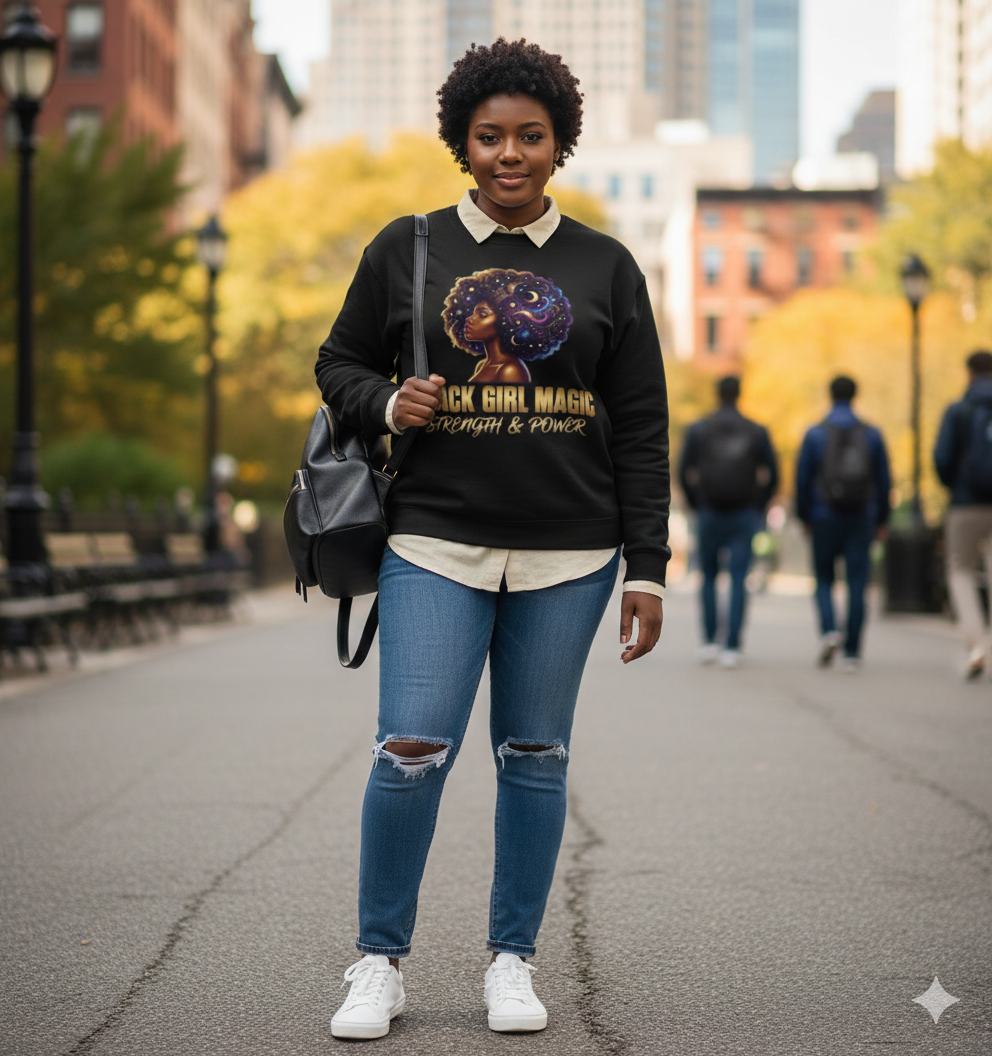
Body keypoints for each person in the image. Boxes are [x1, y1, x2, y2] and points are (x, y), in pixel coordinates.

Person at [315, 38, 670, 1040]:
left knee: (534, 753)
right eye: (488, 137)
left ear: (559, 145)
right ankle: (377, 961)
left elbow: (641, 424)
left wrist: (647, 565)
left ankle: (510, 960)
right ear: (460, 144)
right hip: (435, 540)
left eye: (529, 136)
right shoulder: (408, 247)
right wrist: (388, 402)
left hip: (571, 552)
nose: (508, 154)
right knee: (410, 747)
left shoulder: (605, 265)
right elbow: (336, 363)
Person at [678, 375, 778, 668]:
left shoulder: (698, 429)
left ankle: (709, 642)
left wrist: (698, 503)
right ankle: (732, 645)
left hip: (709, 511)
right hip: (744, 512)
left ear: (716, 393)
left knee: (707, 576)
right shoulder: (756, 430)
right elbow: (771, 473)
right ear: (739, 394)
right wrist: (757, 504)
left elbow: (684, 471)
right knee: (738, 577)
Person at [796, 375, 891, 670]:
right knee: (857, 581)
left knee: (824, 578)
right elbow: (884, 480)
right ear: (855, 395)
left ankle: (828, 631)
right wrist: (881, 518)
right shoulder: (872, 434)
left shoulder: (815, 434)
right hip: (861, 516)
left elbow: (802, 479)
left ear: (830, 394)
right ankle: (852, 651)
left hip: (823, 516)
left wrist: (805, 515)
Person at [934, 349, 992, 679]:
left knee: (961, 571)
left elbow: (942, 458)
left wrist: (955, 487)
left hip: (966, 503)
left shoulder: (959, 411)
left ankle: (976, 645)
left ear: (969, 373)